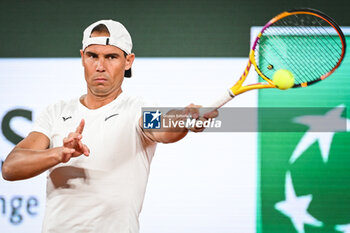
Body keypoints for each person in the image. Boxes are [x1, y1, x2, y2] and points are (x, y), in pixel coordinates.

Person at [1, 20, 218, 233]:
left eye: (111, 57)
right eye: (92, 56)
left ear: (128, 61)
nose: (100, 66)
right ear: (82, 58)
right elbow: (10, 168)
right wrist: (60, 153)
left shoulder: (138, 109)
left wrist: (185, 119)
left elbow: (164, 128)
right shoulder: (56, 112)